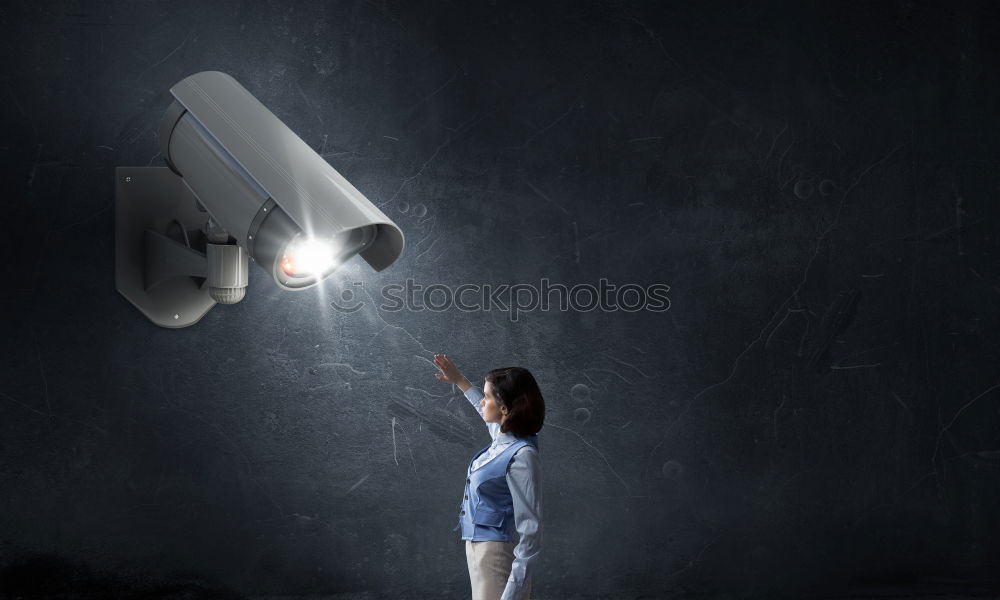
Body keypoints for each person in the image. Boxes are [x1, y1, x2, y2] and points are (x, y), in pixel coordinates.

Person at [433, 354, 545, 600]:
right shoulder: (503, 438)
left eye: (488, 397)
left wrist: (512, 592)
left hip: (497, 554)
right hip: (478, 549)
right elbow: (480, 408)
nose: (482, 402)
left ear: (504, 409)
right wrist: (460, 381)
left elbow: (531, 533)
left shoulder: (522, 456)